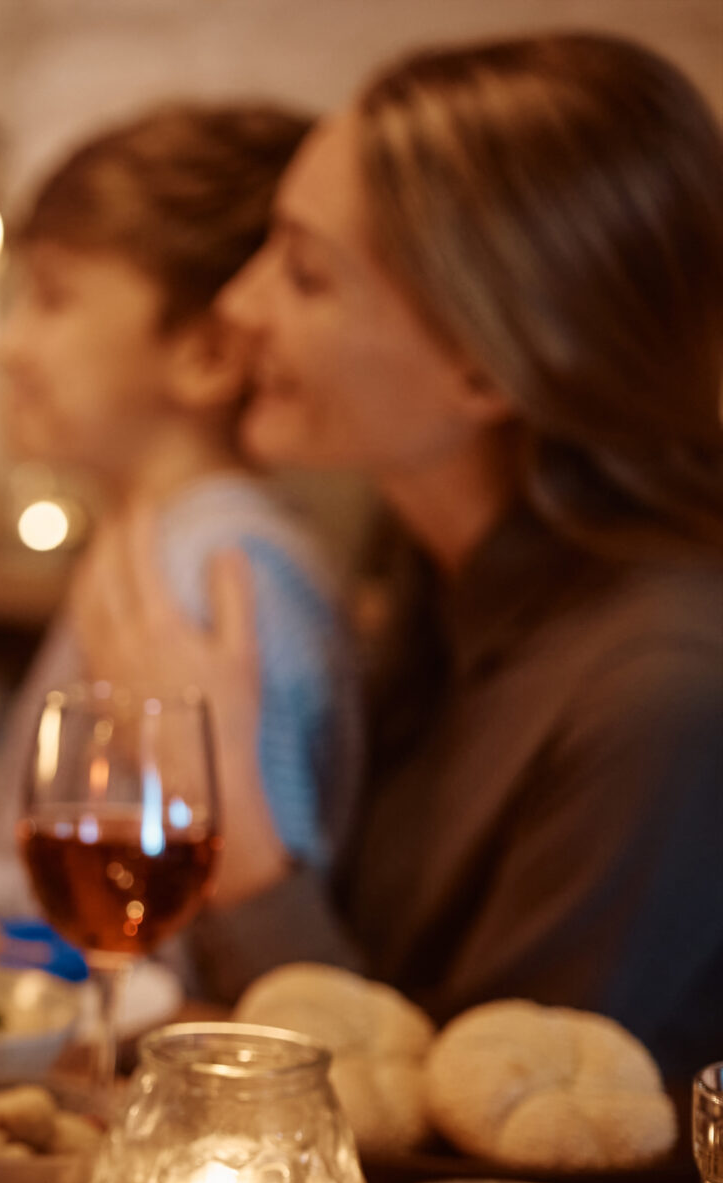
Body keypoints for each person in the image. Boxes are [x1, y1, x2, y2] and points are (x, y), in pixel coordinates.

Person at [121, 33, 723, 1080]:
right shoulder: (428, 572)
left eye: (306, 276)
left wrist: (236, 839)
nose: (239, 303)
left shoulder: (657, 694)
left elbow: (490, 1169)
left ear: (488, 365)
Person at [0, 103, 363, 926]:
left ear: (207, 354)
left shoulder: (215, 574)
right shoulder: (160, 540)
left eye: (54, 299)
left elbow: (183, 919)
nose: (10, 346)